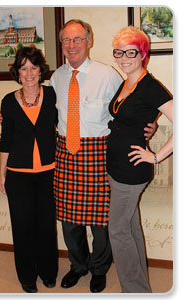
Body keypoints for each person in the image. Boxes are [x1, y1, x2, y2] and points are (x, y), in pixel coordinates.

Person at [49, 19, 156, 293]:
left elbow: (128, 107)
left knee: (101, 222)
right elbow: (45, 114)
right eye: (66, 41)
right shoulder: (56, 77)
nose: (72, 46)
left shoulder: (108, 75)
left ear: (89, 41)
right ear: (61, 45)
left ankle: (99, 269)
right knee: (70, 221)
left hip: (98, 153)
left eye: (77, 39)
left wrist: (150, 124)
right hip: (66, 153)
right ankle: (78, 266)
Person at [106, 26, 173, 293]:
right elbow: (132, 118)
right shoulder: (127, 82)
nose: (123, 57)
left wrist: (156, 156)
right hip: (116, 166)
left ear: (142, 53)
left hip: (131, 171)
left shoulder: (149, 86)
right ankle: (140, 288)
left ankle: (134, 292)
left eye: (130, 51)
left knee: (118, 231)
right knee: (130, 228)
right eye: (118, 52)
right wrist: (151, 125)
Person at [0, 47, 58, 293]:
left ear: (40, 70)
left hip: (48, 172)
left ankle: (48, 272)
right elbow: (6, 140)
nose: (29, 72)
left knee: (45, 226)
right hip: (18, 174)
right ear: (18, 72)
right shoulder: (8, 101)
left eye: (33, 67)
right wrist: (2, 174)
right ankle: (27, 276)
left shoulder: (54, 95)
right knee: (22, 227)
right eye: (24, 68)